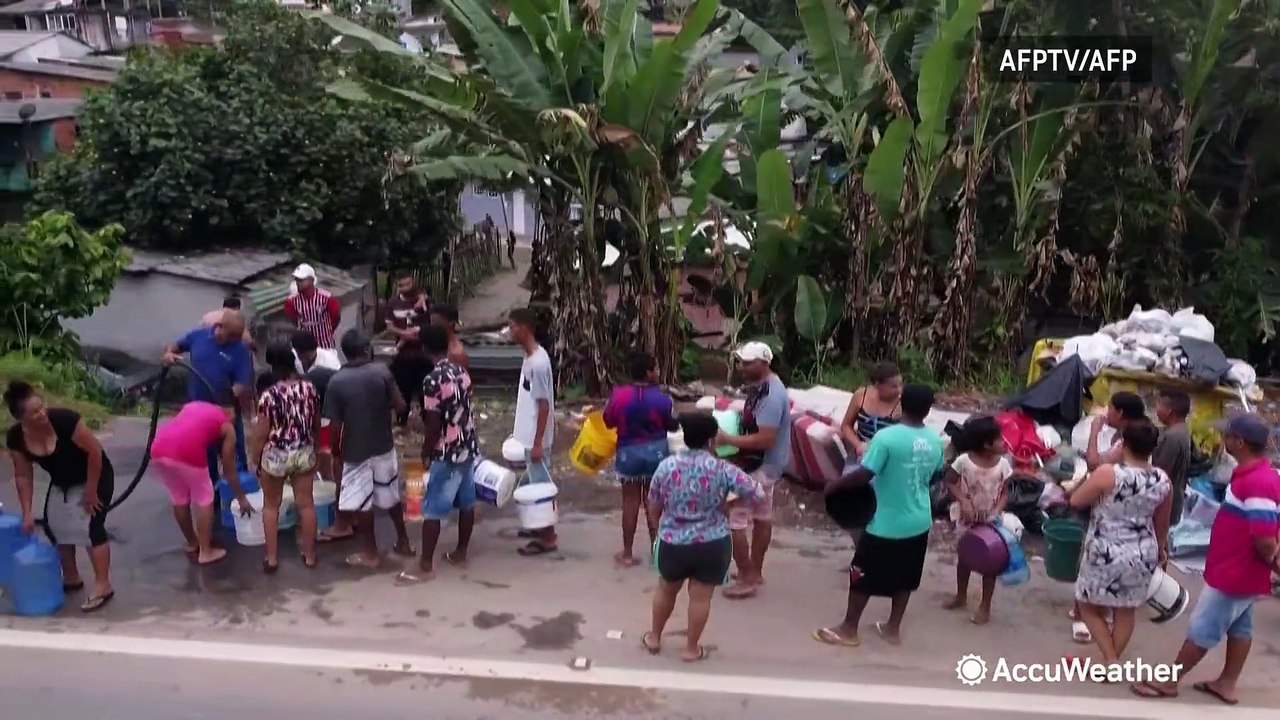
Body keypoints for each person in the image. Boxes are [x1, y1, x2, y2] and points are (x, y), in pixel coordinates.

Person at [1132, 413, 1280, 704]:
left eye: (1227, 435)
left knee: (1203, 626)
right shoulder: (1259, 476)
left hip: (1235, 573)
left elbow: (1265, 539)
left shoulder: (1258, 482)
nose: (1223, 440)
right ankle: (1226, 683)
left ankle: (1169, 681)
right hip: (1239, 571)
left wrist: (1272, 560)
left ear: (1239, 442)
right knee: (1241, 627)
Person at [814, 384, 943, 647]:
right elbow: (935, 476)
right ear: (928, 410)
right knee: (906, 575)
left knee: (861, 574)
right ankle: (892, 628)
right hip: (919, 518)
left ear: (901, 403)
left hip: (884, 519)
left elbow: (865, 473)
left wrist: (833, 486)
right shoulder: (935, 441)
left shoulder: (887, 438)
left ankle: (849, 629)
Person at [643, 412, 764, 662]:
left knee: (666, 590)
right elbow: (756, 493)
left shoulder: (667, 466)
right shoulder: (722, 469)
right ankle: (690, 649)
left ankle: (654, 637)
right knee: (700, 597)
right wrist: (730, 506)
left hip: (673, 541)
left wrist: (657, 531)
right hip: (712, 542)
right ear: (712, 440)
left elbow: (653, 503)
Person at [5, 381, 116, 612]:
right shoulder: (16, 438)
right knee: (55, 525)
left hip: (96, 473)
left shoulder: (65, 420)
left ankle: (103, 585)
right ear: (20, 418)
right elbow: (23, 475)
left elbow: (94, 451)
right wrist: (26, 513)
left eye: (42, 406)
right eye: (35, 412)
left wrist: (91, 491)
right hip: (62, 480)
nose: (43, 413)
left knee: (91, 525)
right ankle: (71, 578)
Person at [1068, 419, 1171, 667]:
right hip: (1142, 549)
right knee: (1125, 609)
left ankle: (1111, 660)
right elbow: (1162, 521)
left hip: (1106, 548)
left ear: (1123, 443)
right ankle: (1107, 662)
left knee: (1087, 604)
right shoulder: (1162, 479)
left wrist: (1106, 462)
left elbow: (1076, 501)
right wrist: (1161, 549)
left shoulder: (1109, 474)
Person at [323, 329, 414, 566]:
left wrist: (335, 451)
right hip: (383, 445)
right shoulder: (382, 371)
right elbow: (402, 406)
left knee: (361, 503)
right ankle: (403, 541)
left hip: (355, 451)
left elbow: (334, 426)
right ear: (366, 349)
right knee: (391, 495)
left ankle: (370, 553)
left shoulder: (337, 382)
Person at [396, 325, 479, 584]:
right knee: (467, 502)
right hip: (467, 445)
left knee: (432, 509)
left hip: (447, 451)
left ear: (423, 348)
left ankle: (425, 566)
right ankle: (461, 552)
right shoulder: (461, 371)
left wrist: (425, 452)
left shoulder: (432, 380)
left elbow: (434, 424)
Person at [715, 341, 791, 599]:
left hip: (760, 466)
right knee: (761, 516)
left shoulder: (770, 397)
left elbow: (765, 439)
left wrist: (728, 440)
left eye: (748, 362)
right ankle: (755, 570)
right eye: (741, 362)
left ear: (764, 362)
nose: (742, 366)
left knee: (735, 516)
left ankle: (747, 576)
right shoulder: (767, 387)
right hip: (768, 465)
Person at [1071, 390, 1146, 643]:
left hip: (1112, 516)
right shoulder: (1140, 437)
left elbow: (1095, 464)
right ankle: (1110, 649)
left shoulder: (1127, 439)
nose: (1106, 414)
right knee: (1125, 603)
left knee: (1092, 565)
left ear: (1121, 413)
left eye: (1110, 408)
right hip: (1134, 522)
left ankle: (1086, 614)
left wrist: (1094, 431)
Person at [149, 401, 252, 566]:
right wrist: (241, 498)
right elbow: (229, 468)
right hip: (187, 450)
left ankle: (192, 543)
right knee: (205, 497)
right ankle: (205, 551)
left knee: (179, 496)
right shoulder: (227, 425)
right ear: (232, 413)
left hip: (158, 448)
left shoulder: (194, 405)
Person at [249, 343, 322, 573]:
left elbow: (261, 434)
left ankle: (271, 559)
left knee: (271, 507)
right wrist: (315, 447)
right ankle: (309, 555)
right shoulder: (309, 389)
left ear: (273, 367)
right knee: (307, 505)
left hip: (276, 455)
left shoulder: (268, 396)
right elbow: (316, 423)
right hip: (303, 451)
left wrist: (256, 459)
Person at [603, 352, 678, 567]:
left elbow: (608, 421)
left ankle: (627, 553)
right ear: (648, 373)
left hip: (629, 452)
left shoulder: (619, 396)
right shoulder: (662, 399)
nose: (657, 372)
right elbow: (672, 425)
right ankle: (657, 553)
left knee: (630, 501)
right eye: (655, 368)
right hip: (656, 453)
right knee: (653, 501)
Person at [162, 309, 253, 484]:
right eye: (232, 335)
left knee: (235, 453)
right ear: (219, 327)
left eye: (238, 336)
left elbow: (242, 382)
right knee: (206, 453)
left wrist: (231, 396)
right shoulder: (198, 336)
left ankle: (238, 491)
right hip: (198, 411)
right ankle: (212, 492)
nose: (236, 339)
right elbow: (176, 345)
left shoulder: (240, 349)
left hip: (226, 412)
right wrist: (169, 353)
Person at [942, 415, 1012, 624]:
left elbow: (1005, 493)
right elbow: (950, 482)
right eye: (999, 439)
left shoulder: (1003, 465)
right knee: (965, 556)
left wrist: (997, 511)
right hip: (966, 518)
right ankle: (961, 595)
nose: (1004, 442)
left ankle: (985, 606)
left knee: (990, 562)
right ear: (986, 444)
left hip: (990, 521)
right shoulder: (964, 461)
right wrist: (963, 500)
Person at [507, 308, 559, 556]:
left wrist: (537, 443)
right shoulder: (533, 357)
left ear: (524, 329)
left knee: (540, 486)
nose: (509, 331)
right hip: (529, 435)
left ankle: (548, 537)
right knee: (529, 481)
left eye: (512, 326)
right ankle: (537, 526)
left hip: (535, 438)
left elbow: (543, 405)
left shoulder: (537, 364)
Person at [292, 330, 341, 487]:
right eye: (300, 356)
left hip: (327, 403)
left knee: (325, 447)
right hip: (307, 403)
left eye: (306, 356)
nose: (302, 359)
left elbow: (336, 389)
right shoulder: (294, 356)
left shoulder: (330, 362)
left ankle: (328, 477)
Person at [839, 362, 904, 467]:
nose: (899, 390)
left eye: (901, 384)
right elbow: (846, 426)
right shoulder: (861, 395)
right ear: (878, 385)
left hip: (889, 459)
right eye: (894, 387)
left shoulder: (903, 403)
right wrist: (858, 445)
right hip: (862, 455)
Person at [1152, 390, 1192, 526]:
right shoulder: (1182, 431)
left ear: (1169, 410)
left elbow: (1161, 474)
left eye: (1158, 405)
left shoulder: (1172, 437)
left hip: (1165, 504)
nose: (1156, 410)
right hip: (1174, 498)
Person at [285, 263, 341, 350]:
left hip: (325, 344)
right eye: (296, 280)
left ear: (311, 280)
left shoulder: (327, 298)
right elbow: (294, 320)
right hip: (304, 345)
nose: (298, 283)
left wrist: (327, 331)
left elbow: (335, 318)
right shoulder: (291, 301)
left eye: (301, 280)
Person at [385, 271, 430, 344]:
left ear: (413, 282)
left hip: (424, 346)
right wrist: (404, 333)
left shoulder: (425, 301)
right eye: (401, 285)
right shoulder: (392, 303)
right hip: (403, 346)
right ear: (396, 286)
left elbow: (434, 323)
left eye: (408, 284)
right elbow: (389, 327)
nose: (406, 288)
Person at [429, 303, 470, 371]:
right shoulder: (439, 345)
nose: (433, 328)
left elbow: (459, 379)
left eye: (437, 324)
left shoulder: (455, 353)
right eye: (432, 324)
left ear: (451, 323)